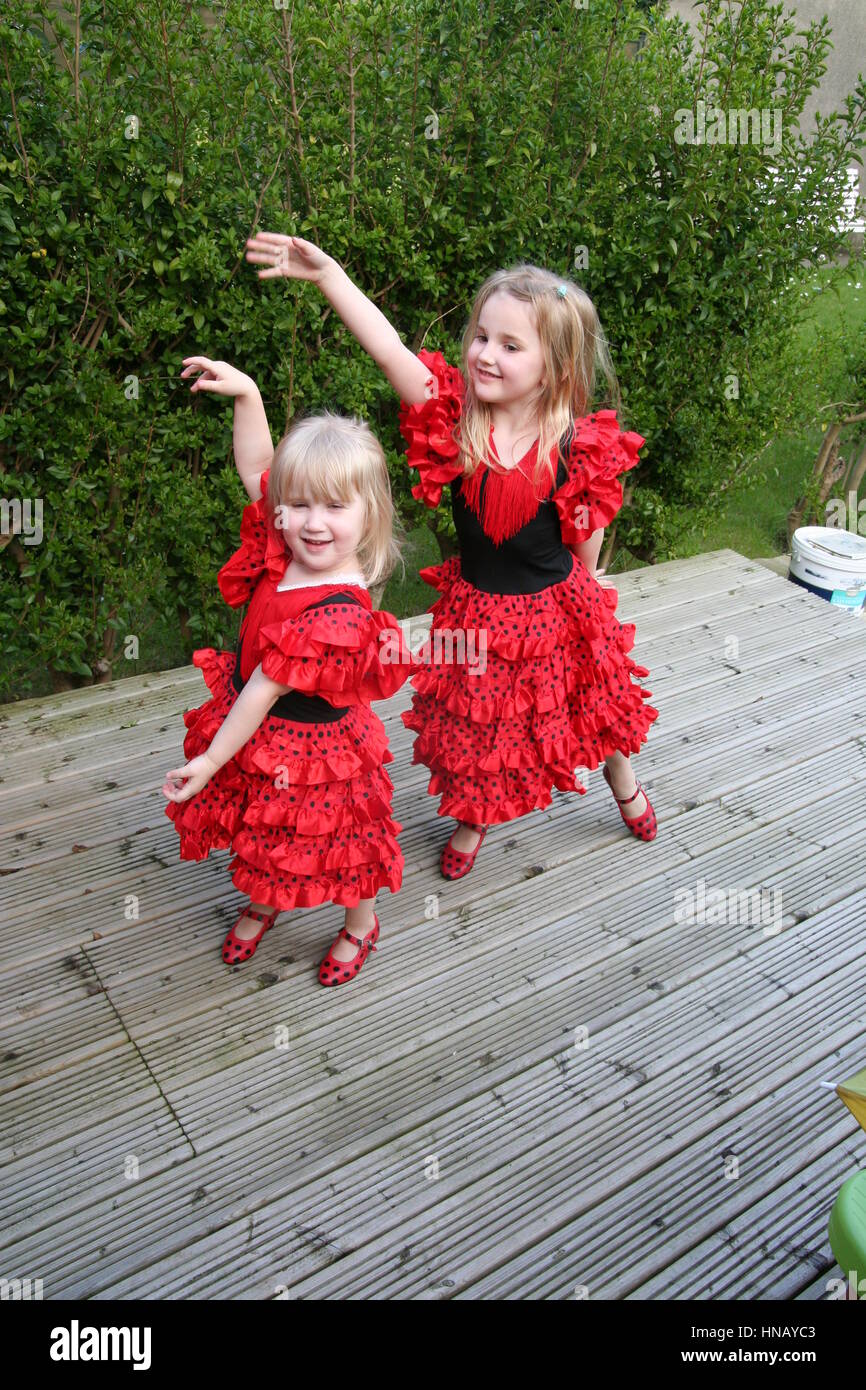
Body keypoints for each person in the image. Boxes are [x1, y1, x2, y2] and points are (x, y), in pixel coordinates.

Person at [246, 234, 659, 878]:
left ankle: (624, 782)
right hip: (479, 616)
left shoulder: (581, 448)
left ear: (553, 368)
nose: (485, 354)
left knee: (588, 702)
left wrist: (590, 596)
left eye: (510, 345)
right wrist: (329, 275)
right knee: (484, 728)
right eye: (481, 337)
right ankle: (476, 818)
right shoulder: (453, 419)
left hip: (560, 608)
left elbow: (586, 545)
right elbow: (388, 350)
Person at [162, 357, 413, 981]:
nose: (312, 522)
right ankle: (266, 900)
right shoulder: (282, 547)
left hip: (317, 748)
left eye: (333, 507)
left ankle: (361, 924)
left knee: (343, 845)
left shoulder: (339, 610)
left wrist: (211, 761)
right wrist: (248, 392)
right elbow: (257, 469)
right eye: (298, 505)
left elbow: (264, 689)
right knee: (273, 834)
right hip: (263, 733)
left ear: (369, 516)